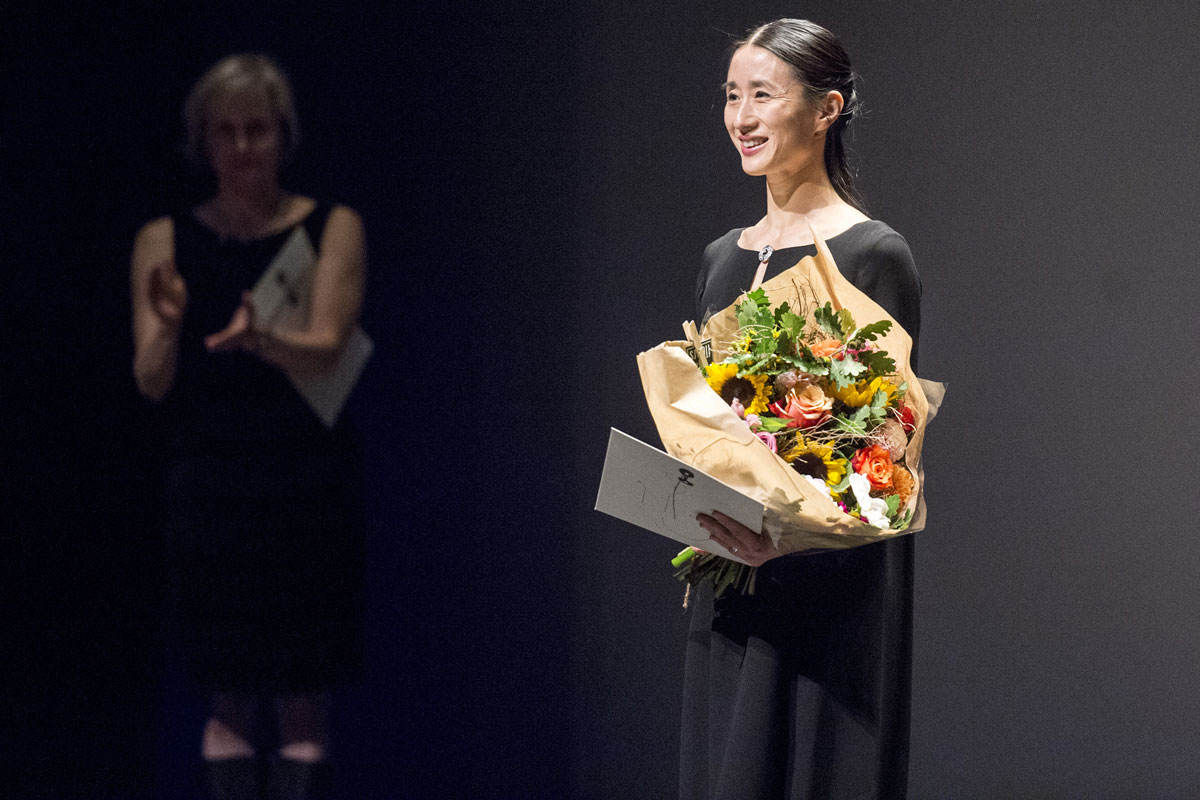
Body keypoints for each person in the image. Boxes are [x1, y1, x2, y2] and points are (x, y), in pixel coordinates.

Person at [682, 20, 923, 800]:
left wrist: (787, 535)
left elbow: (885, 457)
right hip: (731, 592)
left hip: (826, 598)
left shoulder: (871, 254)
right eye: (732, 96)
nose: (742, 116)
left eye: (763, 95)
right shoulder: (722, 257)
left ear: (826, 109)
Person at [130, 54, 366, 799]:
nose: (240, 147)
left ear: (282, 135)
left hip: (304, 486)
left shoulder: (332, 225)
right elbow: (150, 379)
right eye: (224, 131)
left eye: (256, 129)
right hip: (211, 491)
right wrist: (171, 325)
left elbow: (328, 343)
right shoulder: (164, 239)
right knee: (225, 699)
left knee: (302, 702)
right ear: (201, 139)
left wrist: (261, 338)